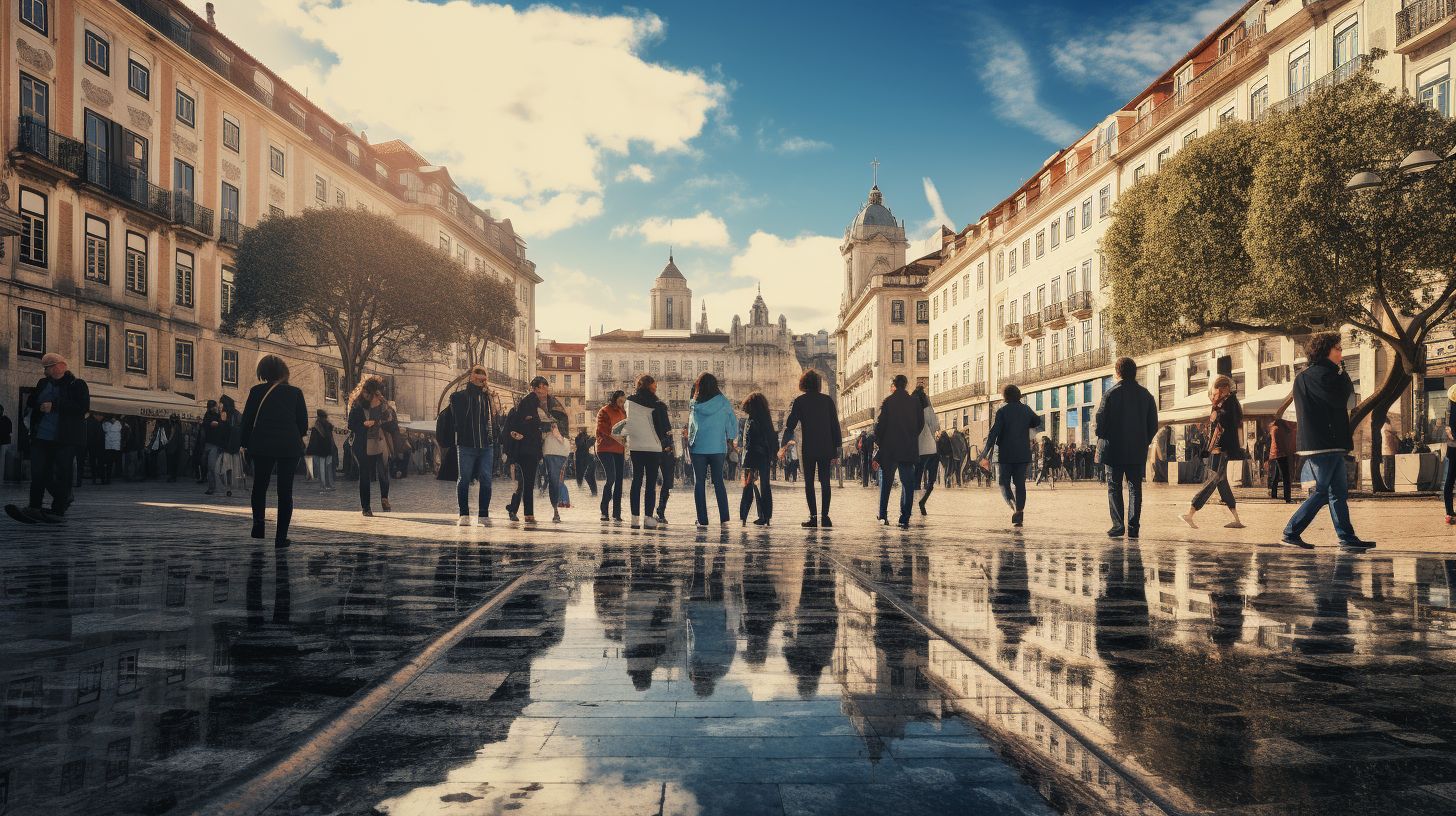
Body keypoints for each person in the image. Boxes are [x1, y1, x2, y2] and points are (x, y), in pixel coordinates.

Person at [1282, 333, 1375, 550]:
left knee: (1337, 493)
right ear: (1326, 351)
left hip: (1320, 442)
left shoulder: (1305, 376)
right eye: (1338, 349)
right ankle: (1291, 531)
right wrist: (1343, 375)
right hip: (1326, 442)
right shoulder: (1326, 376)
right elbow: (1346, 401)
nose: (1341, 353)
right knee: (1323, 492)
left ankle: (1347, 538)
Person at [6, 353, 89, 524]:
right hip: (41, 436)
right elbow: (32, 403)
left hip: (65, 438)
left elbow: (82, 407)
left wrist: (55, 405)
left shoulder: (77, 385)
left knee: (62, 473)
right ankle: (35, 507)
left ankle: (58, 509)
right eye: (45, 367)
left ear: (61, 366)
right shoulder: (43, 383)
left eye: (49, 366)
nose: (46, 370)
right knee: (38, 473)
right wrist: (37, 404)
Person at [240, 355, 308, 547]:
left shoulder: (256, 391)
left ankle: (259, 526)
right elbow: (303, 424)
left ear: (263, 372)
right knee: (285, 491)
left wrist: (245, 443)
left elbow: (246, 420)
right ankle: (281, 537)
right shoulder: (295, 393)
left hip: (262, 444)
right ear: (283, 371)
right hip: (288, 446)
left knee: (260, 485)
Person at [1095, 356, 1159, 539]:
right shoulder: (1146, 395)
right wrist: (1142, 440)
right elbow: (1153, 425)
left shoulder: (1110, 394)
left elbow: (1100, 424)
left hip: (1113, 450)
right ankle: (1133, 527)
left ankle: (1117, 526)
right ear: (1134, 372)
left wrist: (1106, 435)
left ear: (1117, 373)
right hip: (1136, 451)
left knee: (1114, 487)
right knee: (1135, 488)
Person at [1181, 375, 1245, 530]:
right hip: (1223, 449)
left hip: (1219, 450)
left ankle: (1190, 513)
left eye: (1216, 393)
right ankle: (1236, 519)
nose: (1214, 396)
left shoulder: (1226, 406)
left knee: (1212, 480)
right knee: (1222, 484)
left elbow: (1217, 430)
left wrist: (1207, 450)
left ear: (1223, 390)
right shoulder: (1230, 403)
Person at [781, 370, 841, 528]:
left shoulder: (800, 401)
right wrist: (837, 449)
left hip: (809, 447)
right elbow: (835, 426)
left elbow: (790, 425)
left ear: (804, 383)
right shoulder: (827, 400)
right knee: (825, 481)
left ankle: (813, 517)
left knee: (809, 482)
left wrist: (784, 444)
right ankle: (826, 517)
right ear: (818, 384)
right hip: (826, 447)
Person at [613, 374, 671, 529]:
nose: (656, 389)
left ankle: (634, 518)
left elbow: (628, 421)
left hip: (636, 446)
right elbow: (665, 428)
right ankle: (648, 517)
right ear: (651, 387)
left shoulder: (629, 402)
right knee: (651, 483)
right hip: (653, 447)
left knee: (636, 481)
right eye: (655, 387)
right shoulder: (658, 404)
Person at [980, 384, 1042, 528]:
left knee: (1003, 483)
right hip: (1022, 454)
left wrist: (985, 453)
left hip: (1005, 455)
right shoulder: (1026, 409)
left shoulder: (1002, 411)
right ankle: (1019, 512)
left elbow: (993, 433)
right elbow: (1037, 421)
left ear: (1005, 397)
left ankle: (1014, 508)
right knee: (1020, 484)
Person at [687, 373, 739, 528]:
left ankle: (702, 519)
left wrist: (691, 441)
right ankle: (724, 518)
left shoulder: (695, 404)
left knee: (699, 483)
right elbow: (733, 424)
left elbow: (691, 426)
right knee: (718, 482)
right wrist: (729, 436)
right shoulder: (723, 402)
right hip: (718, 447)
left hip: (699, 447)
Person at [449, 365, 498, 525]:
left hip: (486, 444)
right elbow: (457, 414)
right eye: (477, 375)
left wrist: (490, 398)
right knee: (464, 479)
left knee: (486, 479)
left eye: (483, 376)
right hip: (466, 444)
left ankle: (483, 514)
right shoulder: (460, 396)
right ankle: (464, 514)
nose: (480, 378)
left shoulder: (488, 397)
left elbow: (495, 418)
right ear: (471, 376)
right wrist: (475, 393)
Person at [874, 375, 923, 529]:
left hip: (890, 449)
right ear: (906, 385)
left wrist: (881, 443)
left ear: (894, 385)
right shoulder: (915, 402)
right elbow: (920, 424)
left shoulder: (888, 402)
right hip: (908, 448)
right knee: (907, 483)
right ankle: (904, 516)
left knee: (886, 483)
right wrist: (911, 437)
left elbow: (880, 427)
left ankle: (883, 515)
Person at [504, 377, 552, 524]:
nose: (546, 391)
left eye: (546, 388)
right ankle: (528, 514)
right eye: (544, 387)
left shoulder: (535, 402)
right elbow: (523, 424)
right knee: (528, 482)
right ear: (536, 388)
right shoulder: (529, 401)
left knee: (524, 482)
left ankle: (513, 508)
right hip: (527, 448)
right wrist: (539, 422)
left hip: (529, 448)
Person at [347, 375, 395, 516]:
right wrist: (363, 424)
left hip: (379, 441)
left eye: (373, 393)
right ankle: (366, 507)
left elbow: (390, 419)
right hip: (362, 443)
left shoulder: (380, 403)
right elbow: (351, 424)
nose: (369, 395)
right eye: (367, 392)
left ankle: (384, 497)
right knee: (365, 475)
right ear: (363, 390)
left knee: (383, 472)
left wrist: (384, 403)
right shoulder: (357, 405)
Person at [737, 392, 777, 526]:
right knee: (765, 487)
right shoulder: (767, 419)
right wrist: (771, 455)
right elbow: (772, 439)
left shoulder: (751, 420)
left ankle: (744, 516)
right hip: (764, 456)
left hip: (752, 456)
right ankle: (766, 516)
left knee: (748, 487)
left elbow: (748, 441)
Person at [596, 391, 627, 523]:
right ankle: (604, 511)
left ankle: (616, 513)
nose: (622, 404)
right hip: (605, 448)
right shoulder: (604, 411)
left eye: (623, 402)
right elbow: (602, 430)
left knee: (619, 481)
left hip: (619, 448)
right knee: (611, 478)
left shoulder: (623, 412)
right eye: (620, 401)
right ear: (614, 399)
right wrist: (617, 437)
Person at [912, 386, 941, 516]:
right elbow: (935, 426)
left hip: (918, 448)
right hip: (931, 447)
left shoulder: (912, 409)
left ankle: (914, 504)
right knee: (931, 479)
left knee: (916, 478)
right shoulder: (928, 409)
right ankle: (923, 501)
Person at [542, 407, 572, 522]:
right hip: (557, 452)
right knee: (556, 481)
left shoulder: (558, 421)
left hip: (556, 452)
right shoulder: (549, 421)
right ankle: (556, 508)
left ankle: (556, 508)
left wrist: (553, 429)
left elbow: (560, 436)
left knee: (555, 481)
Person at [216, 395, 243, 498]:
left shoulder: (224, 414)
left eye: (221, 403)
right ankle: (229, 488)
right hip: (234, 446)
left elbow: (223, 430)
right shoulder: (237, 414)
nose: (219, 405)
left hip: (226, 445)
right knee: (231, 468)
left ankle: (228, 488)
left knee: (222, 468)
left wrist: (220, 423)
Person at [1268, 415, 1297, 504]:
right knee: (1286, 476)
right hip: (1281, 453)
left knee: (1276, 474)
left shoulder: (1273, 427)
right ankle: (1287, 498)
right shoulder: (1280, 428)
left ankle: (1274, 494)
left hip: (1275, 453)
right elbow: (1285, 440)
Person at [306, 410, 336, 492]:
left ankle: (323, 486)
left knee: (321, 469)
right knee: (328, 468)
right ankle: (330, 485)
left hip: (319, 451)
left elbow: (313, 440)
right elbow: (331, 440)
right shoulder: (329, 426)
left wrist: (309, 450)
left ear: (318, 417)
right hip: (328, 450)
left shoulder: (316, 427)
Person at [1444, 385, 1456, 525]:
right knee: (1450, 480)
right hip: (1454, 449)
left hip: (1451, 449)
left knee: (1450, 480)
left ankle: (1449, 512)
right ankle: (1449, 512)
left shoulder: (1449, 411)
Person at [574, 427, 598, 497]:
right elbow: (583, 445)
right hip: (582, 457)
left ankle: (593, 492)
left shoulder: (587, 439)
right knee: (585, 475)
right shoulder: (580, 439)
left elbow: (586, 445)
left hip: (585, 458)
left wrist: (588, 440)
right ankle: (593, 492)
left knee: (586, 475)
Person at [99, 414, 122, 484]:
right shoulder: (119, 424)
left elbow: (104, 431)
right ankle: (109, 478)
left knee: (107, 464)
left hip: (107, 447)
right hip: (115, 447)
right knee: (111, 464)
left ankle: (106, 479)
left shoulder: (105, 424)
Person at [1382, 418, 1400, 490]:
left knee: (1387, 470)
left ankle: (1388, 485)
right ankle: (1391, 486)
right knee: (1391, 470)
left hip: (1385, 452)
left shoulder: (1383, 429)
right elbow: (1395, 442)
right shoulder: (1388, 429)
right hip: (1391, 452)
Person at [0, 403, 10, 484]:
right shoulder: (6, 420)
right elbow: (9, 432)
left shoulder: (6, 420)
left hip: (4, 442)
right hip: (4, 442)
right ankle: (1, 480)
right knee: (2, 461)